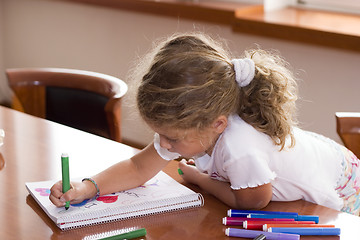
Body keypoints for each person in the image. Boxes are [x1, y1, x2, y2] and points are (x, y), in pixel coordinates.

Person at [49, 32, 360, 215]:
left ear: (218, 124)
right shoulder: (192, 126)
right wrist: (88, 186)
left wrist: (200, 180)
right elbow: (137, 167)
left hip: (342, 191)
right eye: (160, 136)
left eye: (171, 138)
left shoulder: (242, 148)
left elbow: (250, 201)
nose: (164, 145)